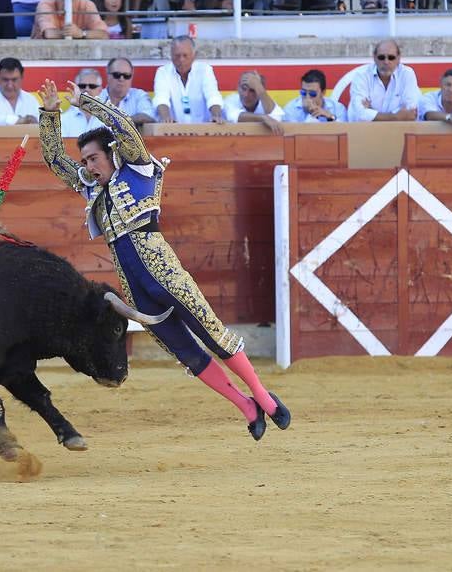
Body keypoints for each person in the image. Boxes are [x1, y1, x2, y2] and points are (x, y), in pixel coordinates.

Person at [38, 77, 291, 442]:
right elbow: (53, 160)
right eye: (85, 161)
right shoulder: (92, 187)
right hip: (136, 288)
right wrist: (49, 114)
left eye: (93, 158)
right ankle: (245, 406)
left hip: (165, 273)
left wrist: (84, 102)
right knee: (187, 353)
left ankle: (265, 397)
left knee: (213, 334)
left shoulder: (138, 166)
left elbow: (123, 126)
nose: (89, 167)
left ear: (111, 153)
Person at [152, 35, 224, 123]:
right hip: (173, 129)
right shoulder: (163, 72)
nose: (181, 60)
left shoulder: (205, 70)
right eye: (177, 56)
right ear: (171, 55)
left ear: (194, 56)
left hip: (202, 130)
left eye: (185, 55)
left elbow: (212, 96)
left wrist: (216, 116)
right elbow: (161, 98)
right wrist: (165, 117)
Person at [348, 39, 421, 122]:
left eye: (391, 57)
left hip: (397, 130)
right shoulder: (361, 75)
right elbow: (360, 113)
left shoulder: (407, 74)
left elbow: (411, 113)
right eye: (381, 57)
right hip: (365, 131)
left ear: (398, 58)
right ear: (374, 58)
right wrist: (396, 117)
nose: (386, 62)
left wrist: (372, 112)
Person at [32, 0, 109, 40]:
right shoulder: (46, 4)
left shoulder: (87, 5)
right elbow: (49, 34)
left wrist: (81, 33)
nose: (67, 4)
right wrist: (72, 33)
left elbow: (103, 34)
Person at [0, 57, 40, 125]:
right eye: (5, 80)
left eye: (14, 80)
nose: (10, 85)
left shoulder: (30, 99)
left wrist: (49, 111)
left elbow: (43, 127)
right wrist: (21, 120)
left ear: (22, 78)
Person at [98, 57, 156, 126]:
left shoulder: (139, 95)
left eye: (126, 76)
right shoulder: (97, 96)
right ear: (108, 75)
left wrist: (120, 122)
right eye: (117, 75)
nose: (121, 79)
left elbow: (148, 116)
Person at [283, 69, 347, 123]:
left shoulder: (338, 108)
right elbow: (296, 135)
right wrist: (311, 114)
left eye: (312, 93)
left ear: (323, 92)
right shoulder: (291, 108)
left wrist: (330, 117)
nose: (307, 97)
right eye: (303, 92)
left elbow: (345, 132)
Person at [59, 68, 105, 137]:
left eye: (92, 86)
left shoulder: (109, 118)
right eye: (82, 86)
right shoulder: (63, 120)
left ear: (100, 90)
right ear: (75, 89)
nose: (87, 89)